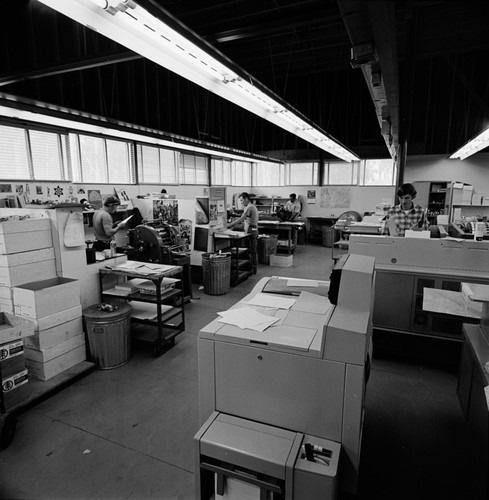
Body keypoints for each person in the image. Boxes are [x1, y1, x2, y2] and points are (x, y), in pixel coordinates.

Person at [228, 192, 259, 273]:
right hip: (252, 229)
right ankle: (251, 268)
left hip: (251, 230)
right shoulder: (251, 206)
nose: (241, 202)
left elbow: (241, 218)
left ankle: (252, 269)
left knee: (251, 250)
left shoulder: (249, 207)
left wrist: (230, 224)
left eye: (242, 200)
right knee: (252, 250)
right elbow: (245, 220)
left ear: (246, 199)